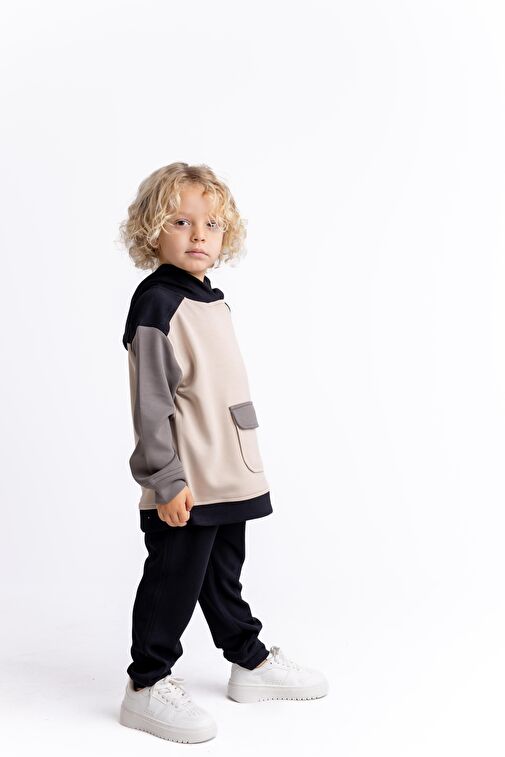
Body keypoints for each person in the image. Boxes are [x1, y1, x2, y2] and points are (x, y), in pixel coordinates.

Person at [117, 162, 328, 743]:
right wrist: (166, 479)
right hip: (189, 479)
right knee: (174, 581)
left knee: (222, 575)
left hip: (229, 470)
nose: (199, 235)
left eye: (211, 224)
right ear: (152, 230)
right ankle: (146, 683)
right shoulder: (159, 304)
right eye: (181, 222)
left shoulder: (211, 299)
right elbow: (152, 406)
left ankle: (248, 659)